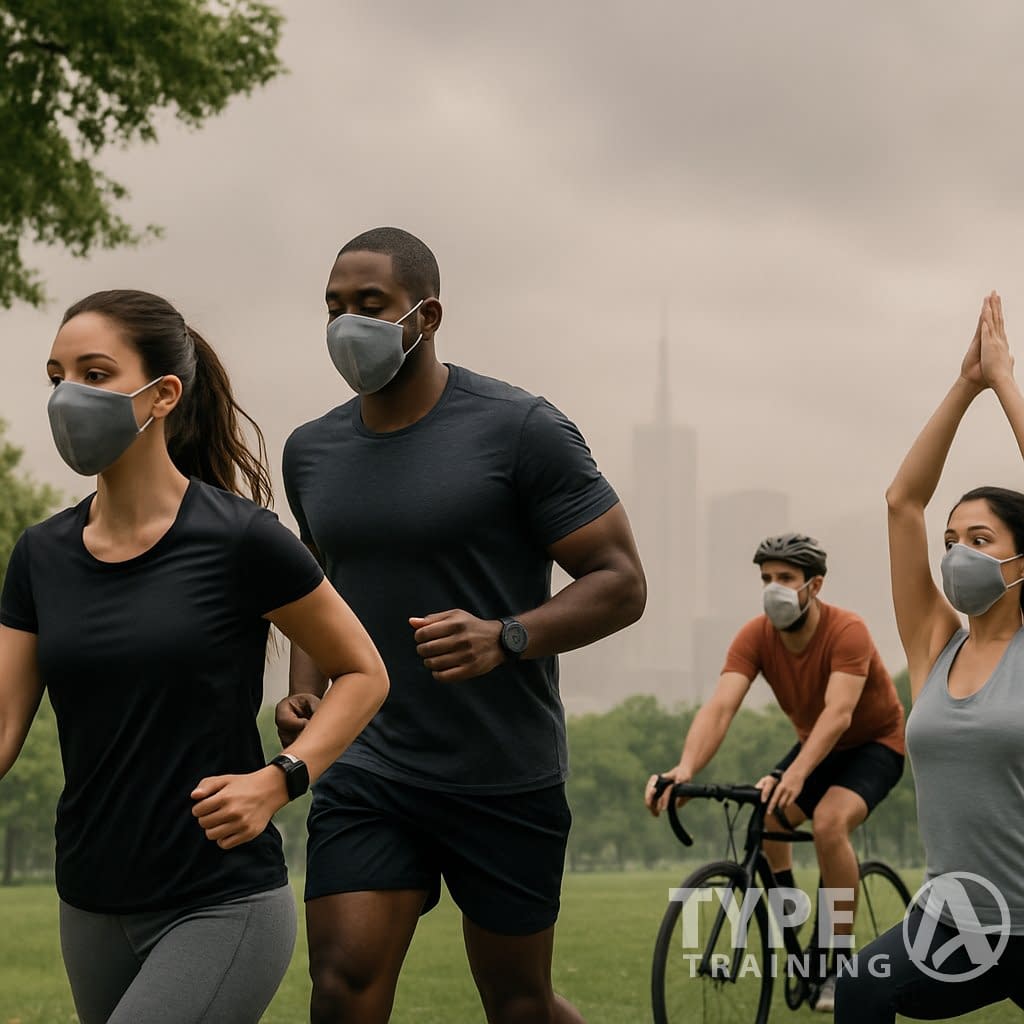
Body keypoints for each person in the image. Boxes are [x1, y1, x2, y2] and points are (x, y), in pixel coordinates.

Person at [278, 226, 647, 1024]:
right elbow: (318, 587)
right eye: (334, 306)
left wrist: (506, 635)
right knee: (341, 981)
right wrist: (304, 690)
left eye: (370, 305)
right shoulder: (310, 450)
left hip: (501, 769)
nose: (348, 323)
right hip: (369, 765)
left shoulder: (520, 429)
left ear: (427, 315)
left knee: (518, 1002)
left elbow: (621, 582)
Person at [0, 290, 389, 1024]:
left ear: (162, 395)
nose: (66, 398)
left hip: (220, 901)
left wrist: (281, 780)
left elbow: (366, 673)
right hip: (88, 902)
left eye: (93, 374)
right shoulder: (38, 556)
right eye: (56, 377)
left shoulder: (240, 539)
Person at [836, 293, 1024, 1020]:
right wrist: (965, 383)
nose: (957, 556)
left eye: (980, 540)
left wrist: (1005, 378)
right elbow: (901, 504)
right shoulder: (933, 646)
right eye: (952, 542)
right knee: (859, 989)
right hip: (953, 923)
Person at [646, 531, 905, 1012]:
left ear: (815, 585)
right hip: (816, 746)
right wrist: (683, 768)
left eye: (786, 578)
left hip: (874, 744)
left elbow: (839, 714)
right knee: (767, 817)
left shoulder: (848, 630)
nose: (774, 587)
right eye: (766, 578)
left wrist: (797, 774)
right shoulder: (755, 636)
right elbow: (721, 707)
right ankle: (793, 927)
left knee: (828, 822)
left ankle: (836, 961)